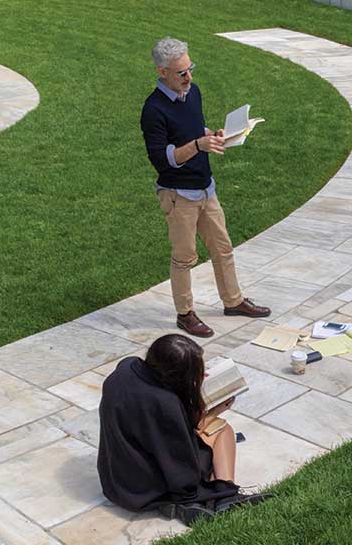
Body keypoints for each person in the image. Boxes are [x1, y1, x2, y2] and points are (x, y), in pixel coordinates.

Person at [140, 37, 270, 338]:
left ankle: (233, 301)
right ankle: (185, 314)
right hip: (178, 195)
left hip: (205, 188)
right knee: (184, 257)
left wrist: (214, 134)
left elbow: (194, 129)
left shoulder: (192, 93)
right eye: (181, 73)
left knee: (223, 248)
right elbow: (164, 159)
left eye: (190, 69)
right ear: (162, 72)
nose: (189, 78)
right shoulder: (153, 110)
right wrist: (199, 145)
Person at [98, 334, 269, 523]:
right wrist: (214, 412)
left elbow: (155, 428)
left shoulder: (126, 367)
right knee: (222, 430)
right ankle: (224, 496)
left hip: (118, 479)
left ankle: (182, 505)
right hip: (146, 488)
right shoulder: (165, 403)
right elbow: (181, 462)